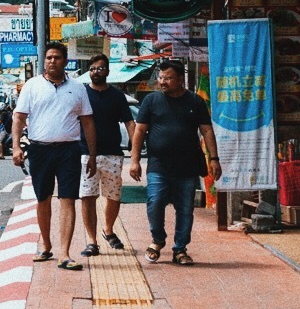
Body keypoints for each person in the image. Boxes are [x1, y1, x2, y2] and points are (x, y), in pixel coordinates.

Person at [127, 58, 222, 265]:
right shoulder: (151, 101)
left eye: (168, 78)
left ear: (181, 79)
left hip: (187, 166)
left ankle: (180, 249)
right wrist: (134, 161)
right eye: (161, 77)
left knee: (185, 208)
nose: (162, 82)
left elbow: (206, 130)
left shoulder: (195, 102)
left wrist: (214, 159)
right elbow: (140, 130)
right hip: (158, 165)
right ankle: (157, 240)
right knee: (155, 202)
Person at [13, 41, 95, 270]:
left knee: (68, 199)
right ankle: (47, 245)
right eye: (48, 57)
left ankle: (65, 253)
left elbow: (87, 122)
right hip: (39, 149)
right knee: (43, 199)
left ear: (65, 61)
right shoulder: (32, 86)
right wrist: (16, 147)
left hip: (69, 150)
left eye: (57, 58)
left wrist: (93, 155)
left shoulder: (78, 88)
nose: (52, 61)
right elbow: (18, 118)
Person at [81, 54, 135, 254]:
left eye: (100, 68)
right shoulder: (82, 93)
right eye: (93, 68)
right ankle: (91, 240)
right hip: (86, 154)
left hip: (113, 153)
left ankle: (108, 230)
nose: (96, 72)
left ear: (108, 71)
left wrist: (135, 149)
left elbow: (130, 122)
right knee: (88, 196)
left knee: (113, 196)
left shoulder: (117, 96)